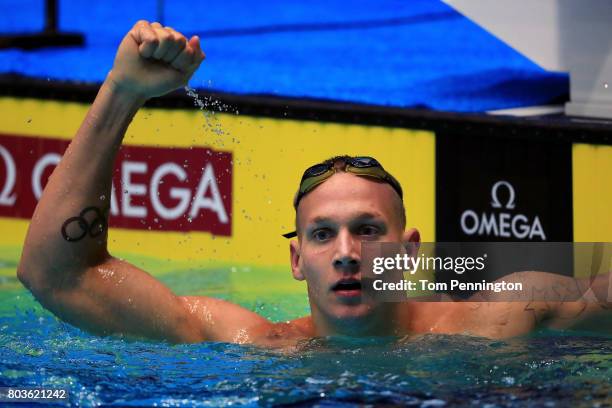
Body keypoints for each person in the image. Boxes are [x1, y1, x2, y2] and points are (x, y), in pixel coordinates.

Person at [17, 21, 611, 346]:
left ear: (408, 253)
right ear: (297, 259)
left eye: (368, 230)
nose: (348, 253)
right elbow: (54, 275)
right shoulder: (255, 344)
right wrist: (122, 93)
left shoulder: (498, 319)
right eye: (323, 235)